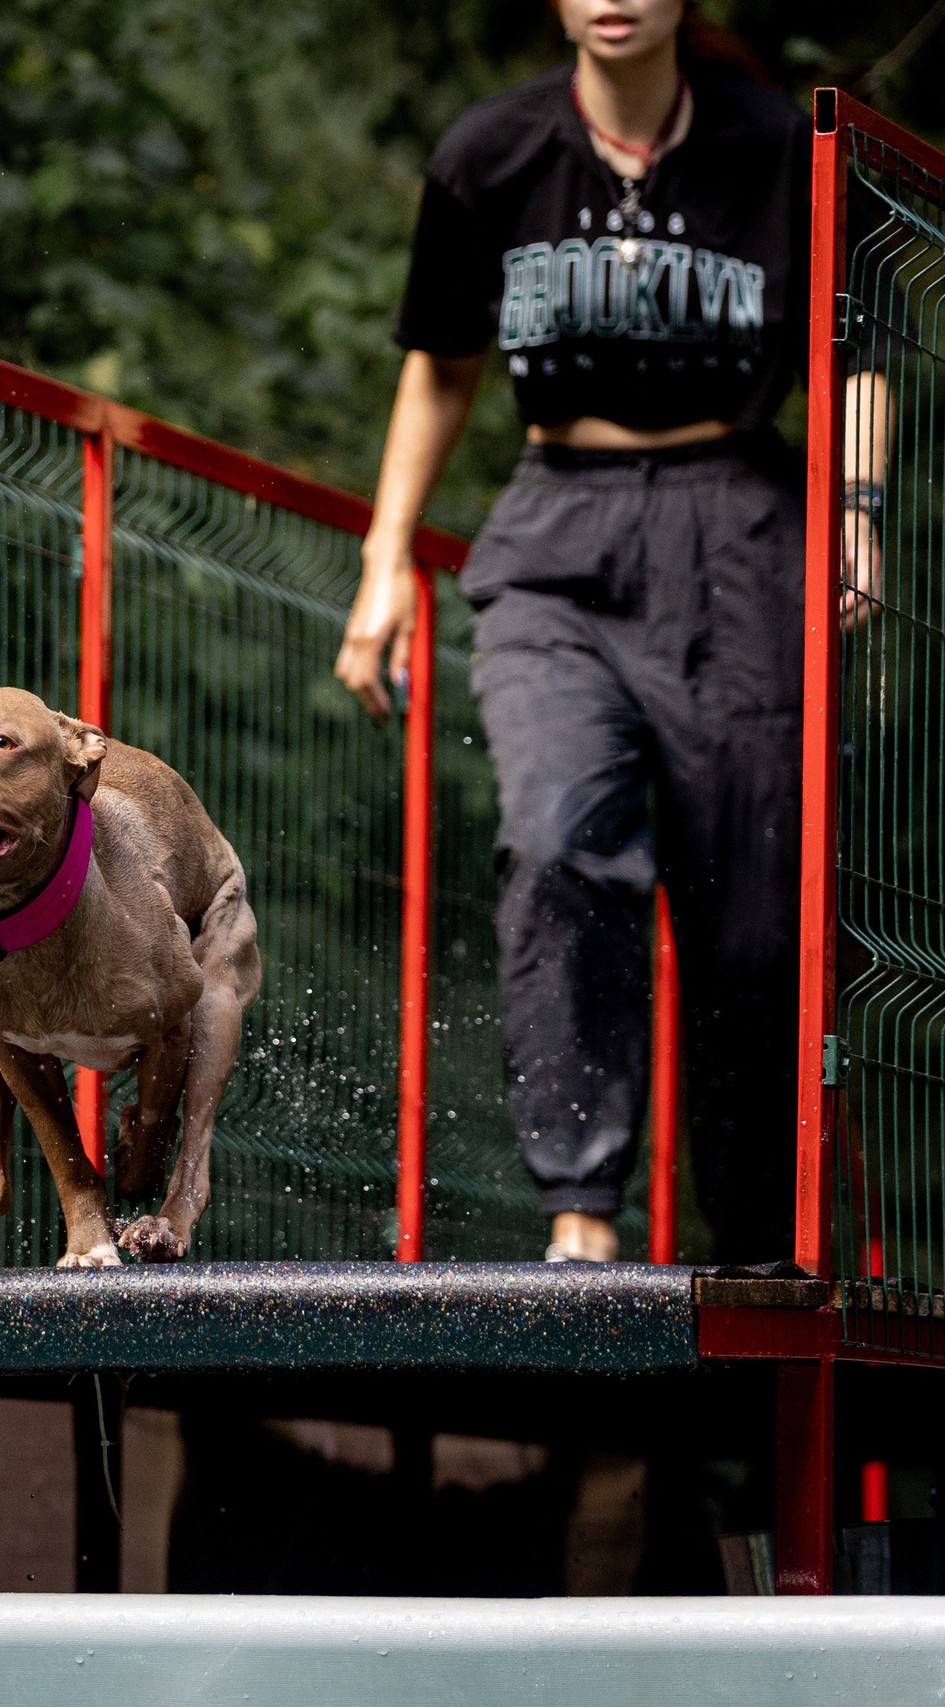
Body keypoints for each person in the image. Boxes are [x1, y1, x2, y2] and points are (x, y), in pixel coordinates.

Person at [334, 0, 890, 1264]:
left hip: (742, 532)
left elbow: (854, 360)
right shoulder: (492, 153)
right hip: (555, 540)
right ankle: (580, 1221)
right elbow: (440, 362)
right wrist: (382, 560)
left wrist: (854, 507)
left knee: (750, 919)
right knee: (555, 840)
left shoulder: (776, 147)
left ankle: (756, 1246)